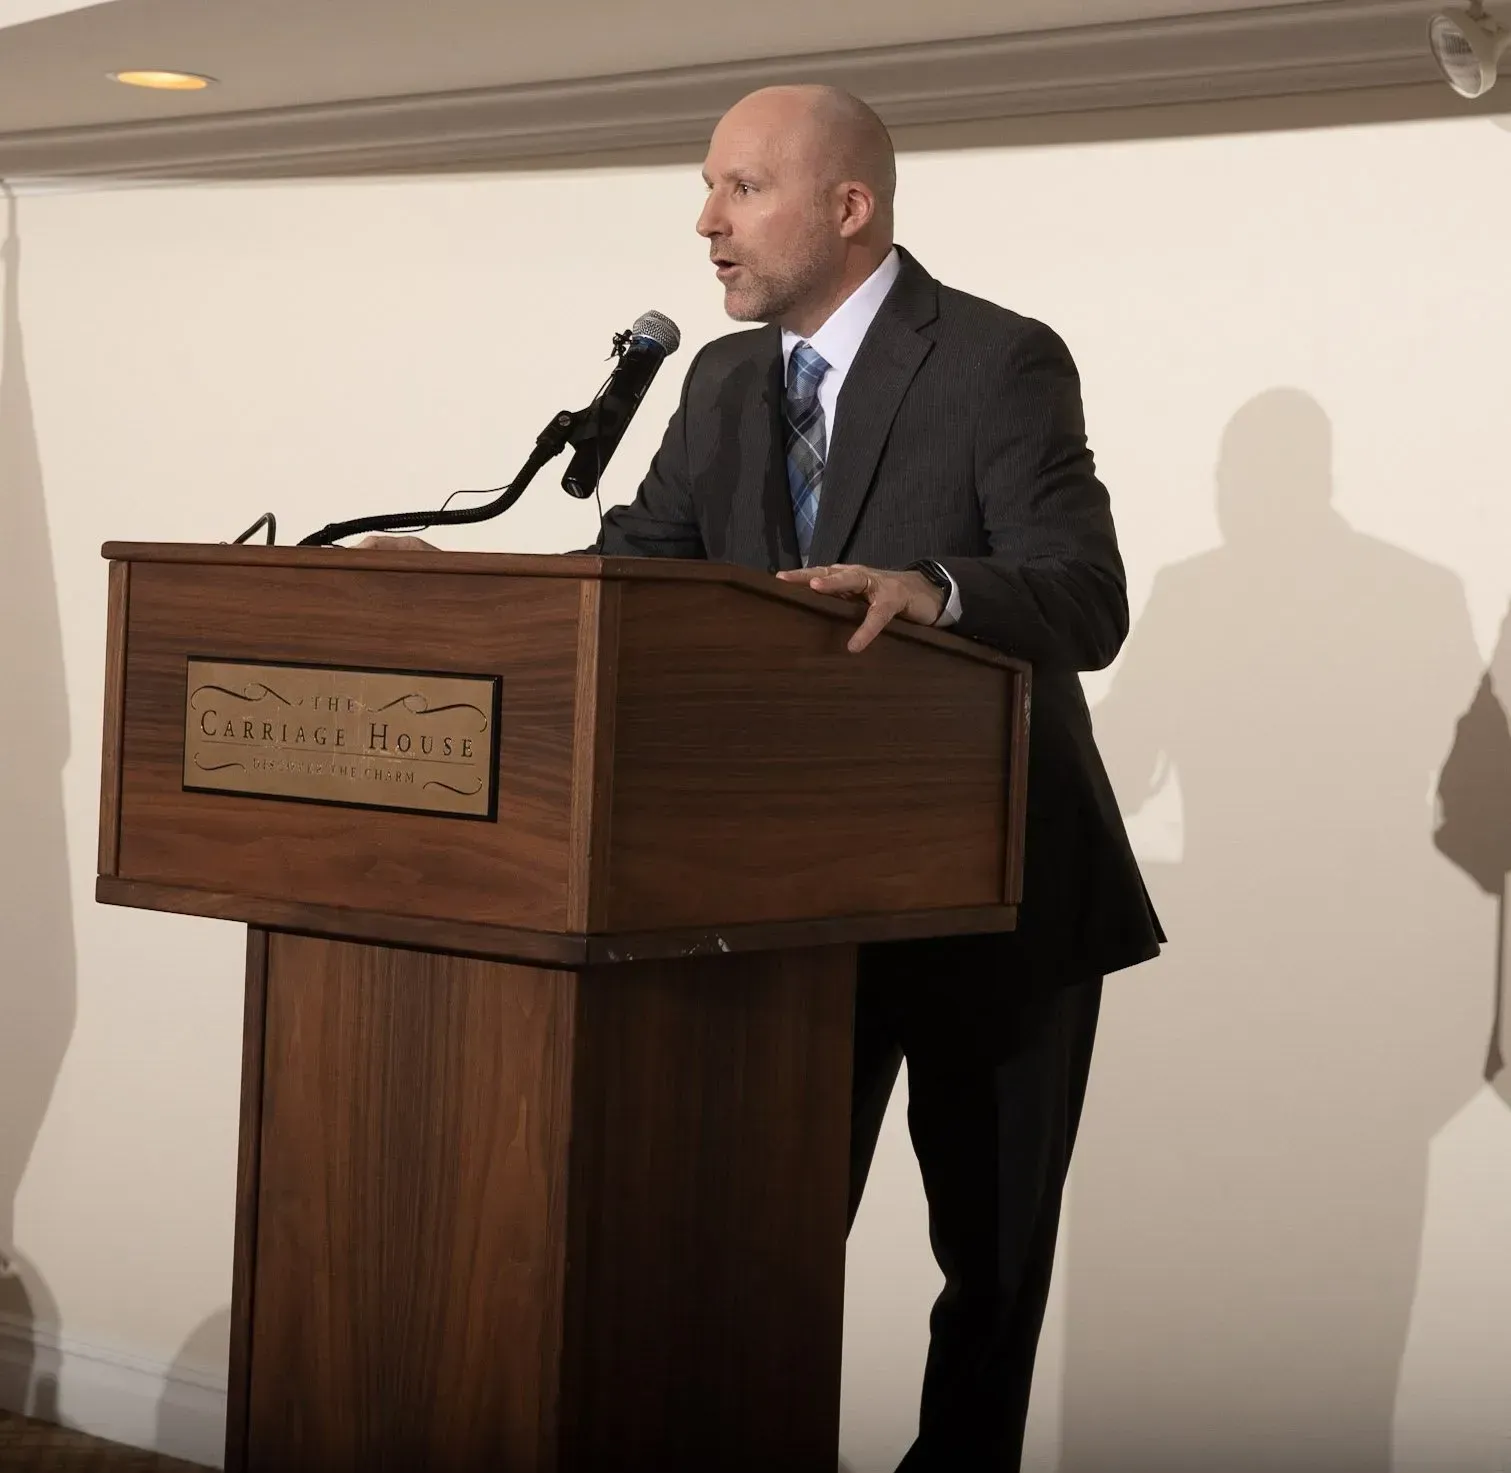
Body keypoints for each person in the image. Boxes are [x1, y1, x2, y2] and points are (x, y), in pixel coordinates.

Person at [371, 83, 1162, 1469]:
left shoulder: (993, 360)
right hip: (788, 905)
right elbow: (639, 574)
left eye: (742, 189)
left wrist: (929, 588)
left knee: (987, 1270)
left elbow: (1083, 599)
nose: (707, 222)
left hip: (1001, 894)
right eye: (708, 187)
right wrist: (469, 593)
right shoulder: (726, 380)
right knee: (759, 1254)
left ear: (847, 208)